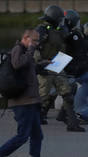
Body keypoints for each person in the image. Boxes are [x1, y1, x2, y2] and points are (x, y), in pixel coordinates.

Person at [35, 5, 85, 132]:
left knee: (67, 94)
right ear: (54, 18)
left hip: (56, 65)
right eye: (60, 19)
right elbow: (35, 49)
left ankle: (72, 124)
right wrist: (38, 65)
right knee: (43, 96)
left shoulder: (59, 30)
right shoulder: (42, 31)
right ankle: (33, 120)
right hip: (45, 67)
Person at [0, 29, 43, 157]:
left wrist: (43, 65)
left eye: (37, 40)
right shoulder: (18, 49)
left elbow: (27, 70)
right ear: (26, 38)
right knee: (23, 136)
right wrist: (30, 50)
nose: (36, 43)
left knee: (37, 136)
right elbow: (17, 64)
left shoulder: (25, 52)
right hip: (23, 101)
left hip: (31, 100)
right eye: (34, 40)